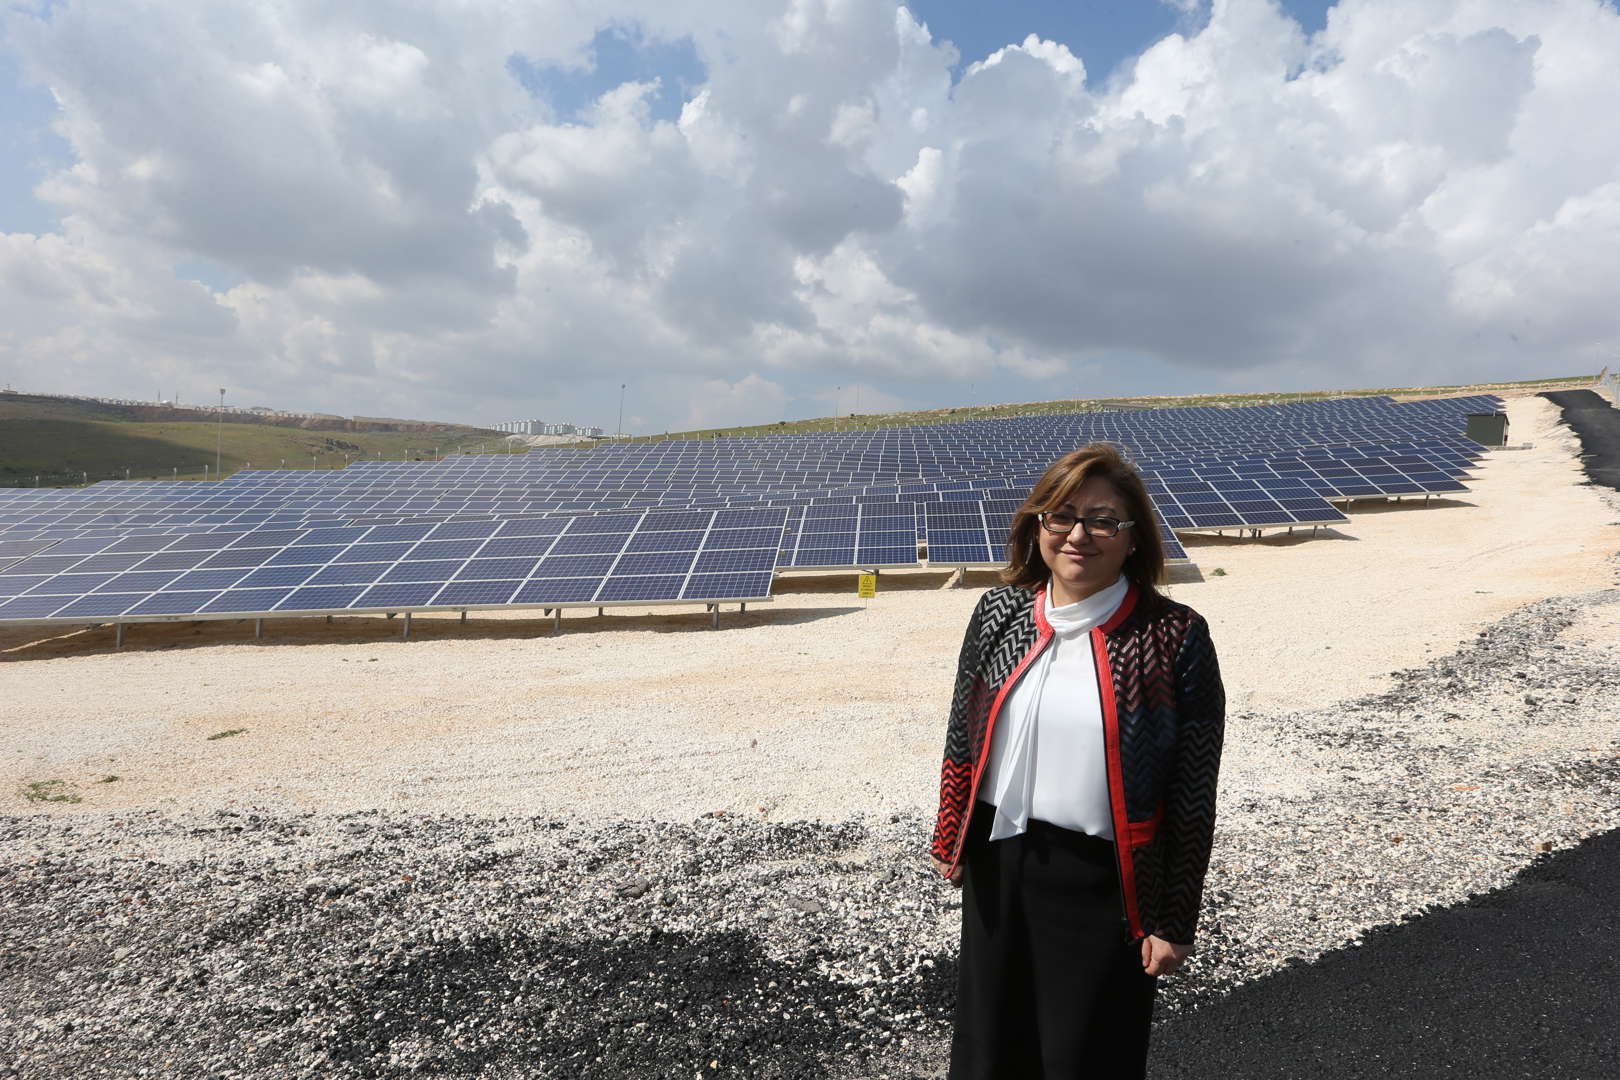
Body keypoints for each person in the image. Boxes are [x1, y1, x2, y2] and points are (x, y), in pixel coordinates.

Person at [930, 442, 1225, 1079]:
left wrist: (1173, 918)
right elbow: (964, 734)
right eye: (1060, 516)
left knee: (1085, 1057)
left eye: (1103, 521)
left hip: (1106, 883)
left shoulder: (1174, 637)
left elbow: (1193, 790)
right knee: (988, 1053)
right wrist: (951, 837)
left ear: (1133, 539)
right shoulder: (998, 612)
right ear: (1037, 524)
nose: (1077, 535)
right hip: (997, 866)